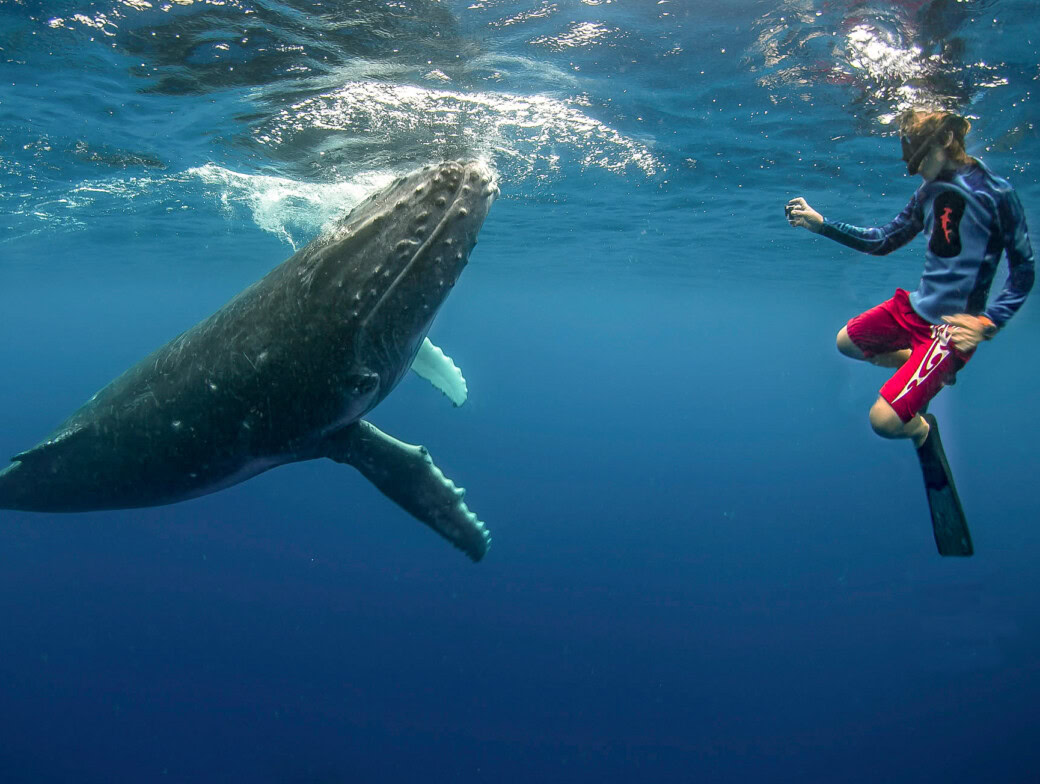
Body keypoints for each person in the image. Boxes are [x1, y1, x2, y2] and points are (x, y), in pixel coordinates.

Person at [786, 108, 1034, 450]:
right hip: (913, 310)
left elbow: (1023, 271)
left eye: (919, 156)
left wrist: (987, 323)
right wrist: (823, 225)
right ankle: (928, 372)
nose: (914, 169)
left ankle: (921, 430)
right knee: (847, 342)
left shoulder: (996, 195)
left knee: (884, 423)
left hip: (950, 331)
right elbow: (883, 240)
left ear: (946, 139)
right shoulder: (927, 193)